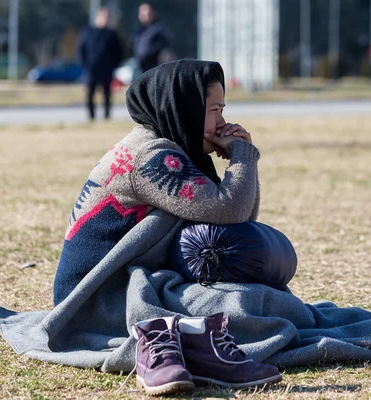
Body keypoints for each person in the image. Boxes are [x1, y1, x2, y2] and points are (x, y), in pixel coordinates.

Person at [53, 60, 258, 305]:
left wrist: (244, 161)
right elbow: (231, 210)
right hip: (94, 299)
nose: (222, 122)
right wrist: (243, 156)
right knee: (245, 302)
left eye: (222, 110)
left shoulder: (164, 146)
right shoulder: (151, 156)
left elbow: (238, 221)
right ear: (184, 109)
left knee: (252, 296)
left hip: (121, 284)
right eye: (214, 110)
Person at [77, 7, 123, 121]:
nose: (106, 19)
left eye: (108, 17)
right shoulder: (87, 32)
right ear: (98, 17)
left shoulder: (112, 34)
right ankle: (91, 117)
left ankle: (107, 116)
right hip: (91, 69)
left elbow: (119, 52)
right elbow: (81, 50)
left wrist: (114, 65)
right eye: (104, 17)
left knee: (107, 94)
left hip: (106, 69)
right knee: (90, 94)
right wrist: (84, 65)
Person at [130, 3, 170, 73]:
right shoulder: (137, 31)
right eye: (143, 14)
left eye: (147, 13)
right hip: (139, 68)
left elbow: (163, 45)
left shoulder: (159, 29)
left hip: (154, 68)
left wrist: (149, 54)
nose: (145, 16)